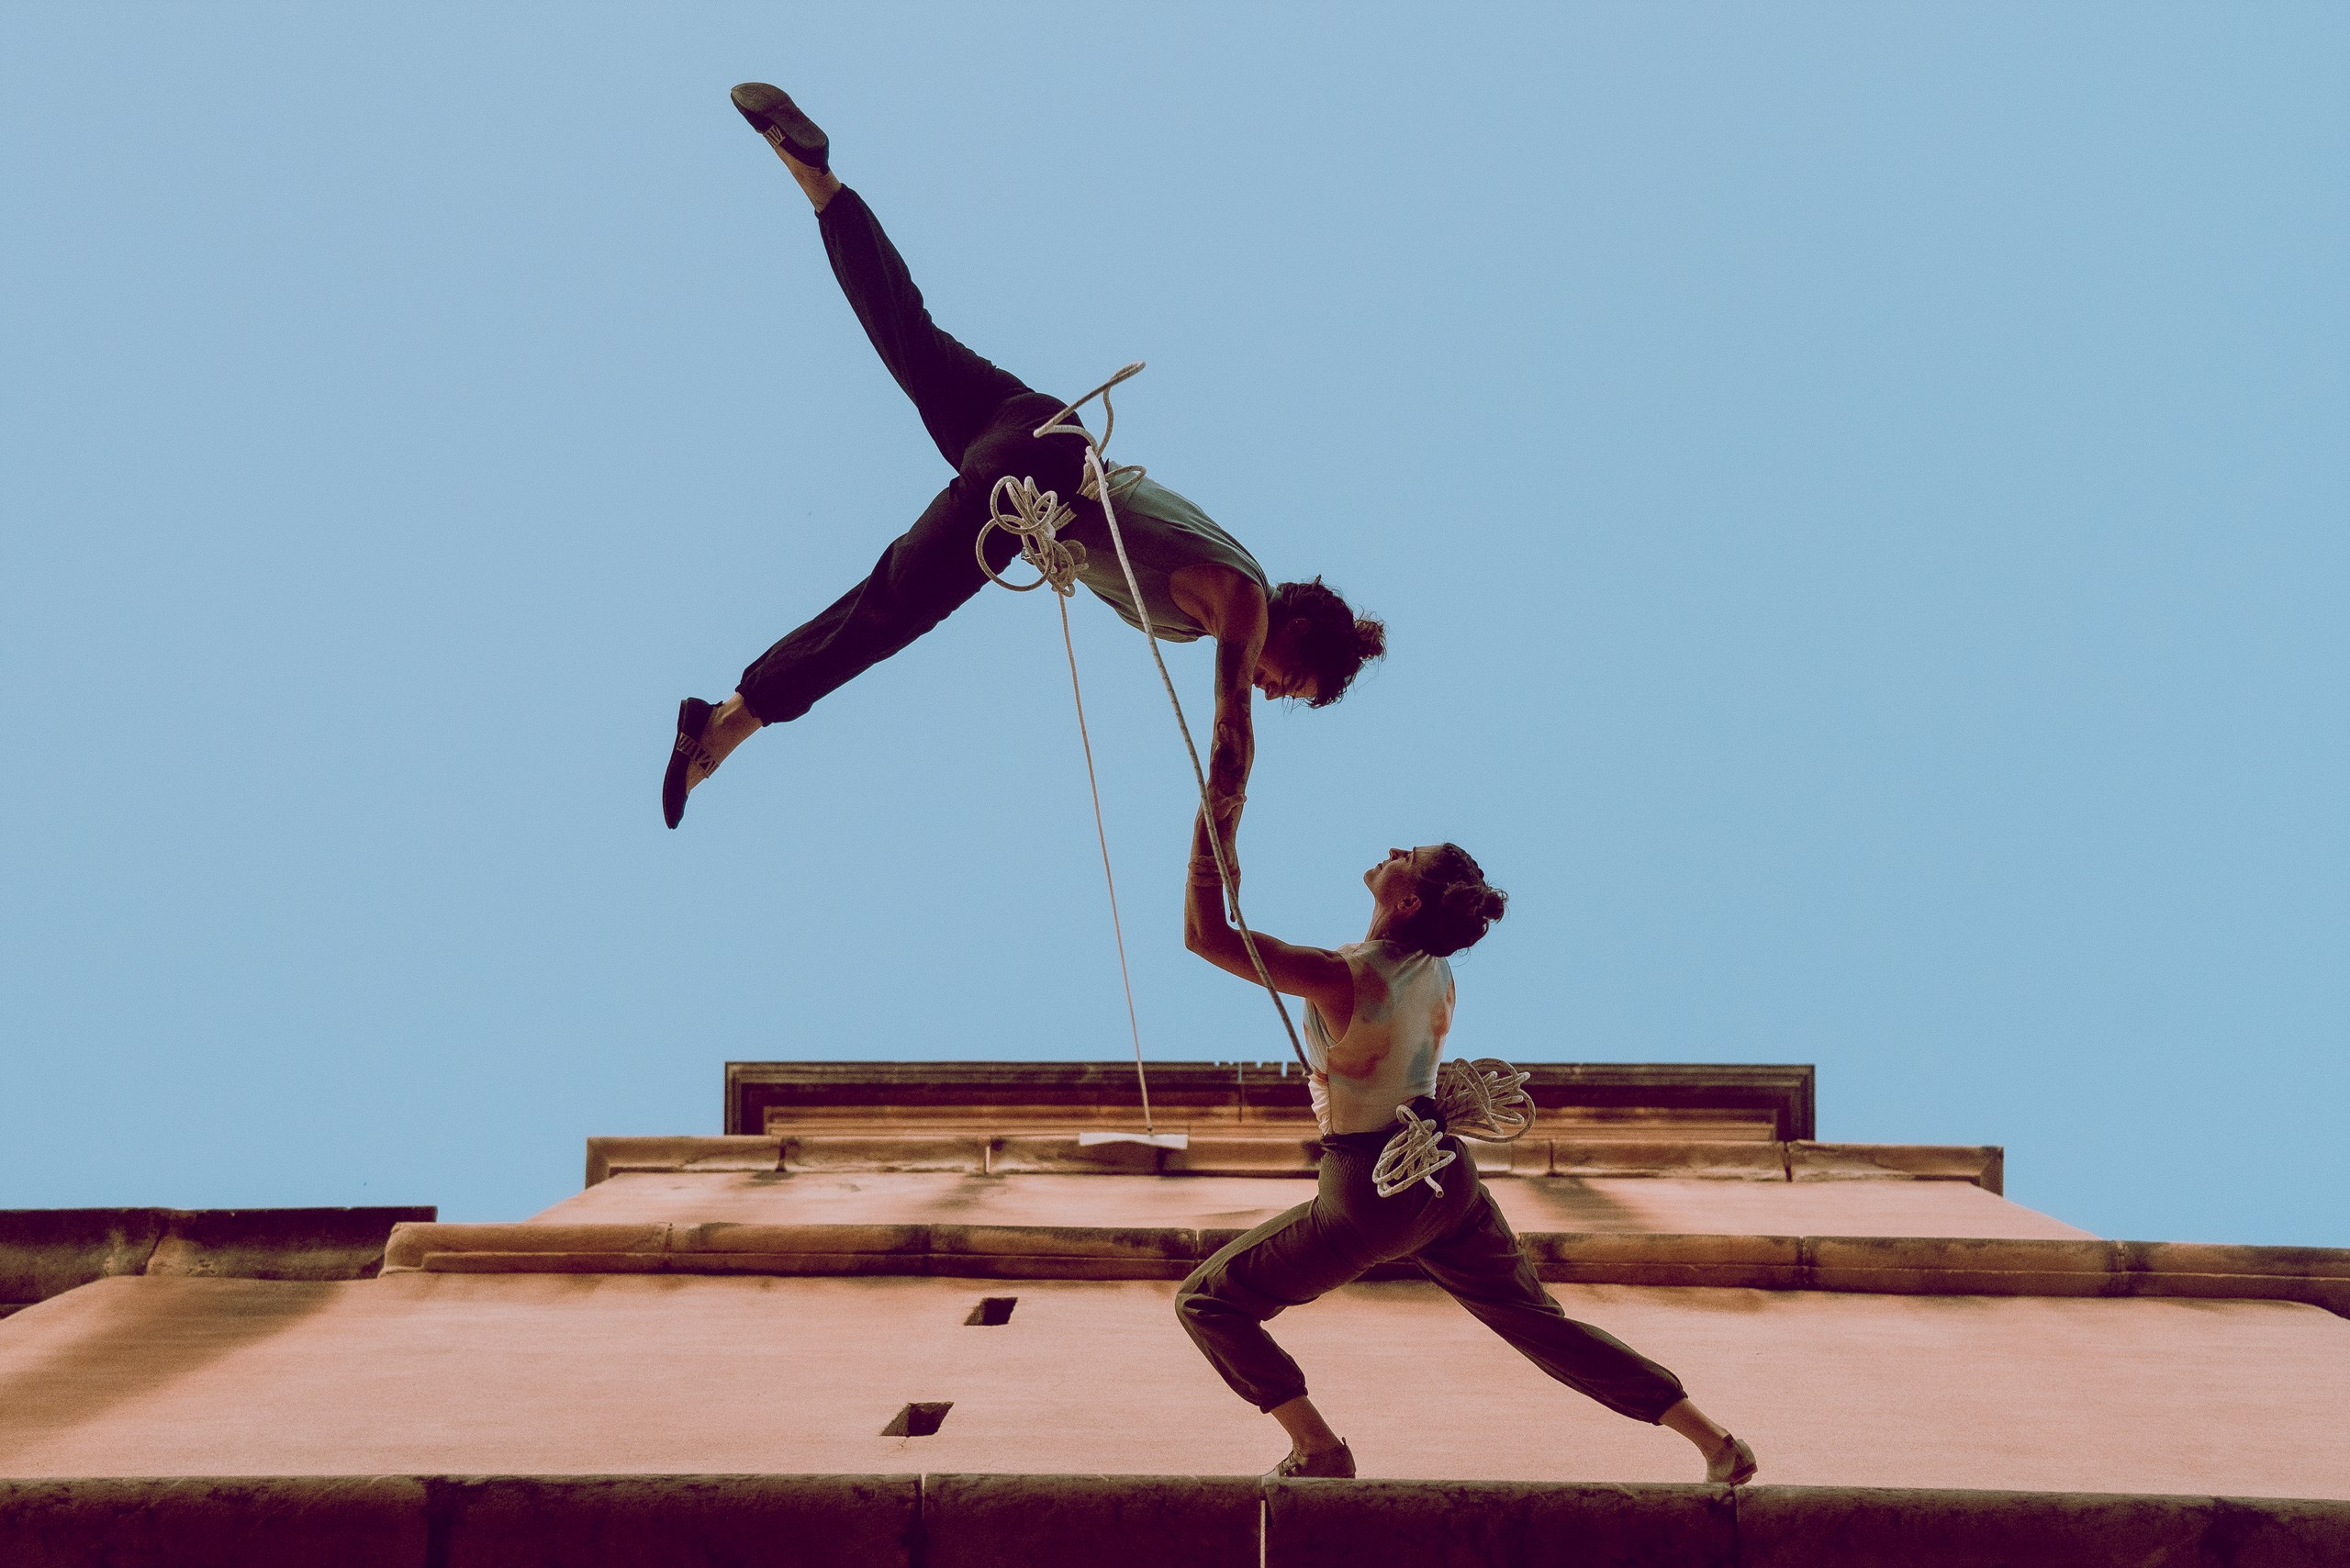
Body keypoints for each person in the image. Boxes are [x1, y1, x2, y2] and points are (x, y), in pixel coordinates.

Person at [663, 84, 1386, 869]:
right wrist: (1225, 839)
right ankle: (727, 723)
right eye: (1292, 681)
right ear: (1297, 631)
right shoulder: (1243, 601)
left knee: (906, 329)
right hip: (1040, 480)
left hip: (1031, 422)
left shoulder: (1213, 601)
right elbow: (1232, 724)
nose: (1273, 692)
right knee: (892, 609)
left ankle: (819, 183)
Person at [1175, 828, 1761, 1484]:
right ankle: (1714, 1441)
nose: (1394, 849)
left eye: (1408, 857)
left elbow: (1206, 937)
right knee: (1536, 1320)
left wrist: (1212, 824)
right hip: (1446, 1179)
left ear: (1409, 904)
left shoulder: (1341, 976)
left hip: (1372, 1184)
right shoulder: (1436, 972)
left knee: (1208, 1301)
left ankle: (1317, 1448)